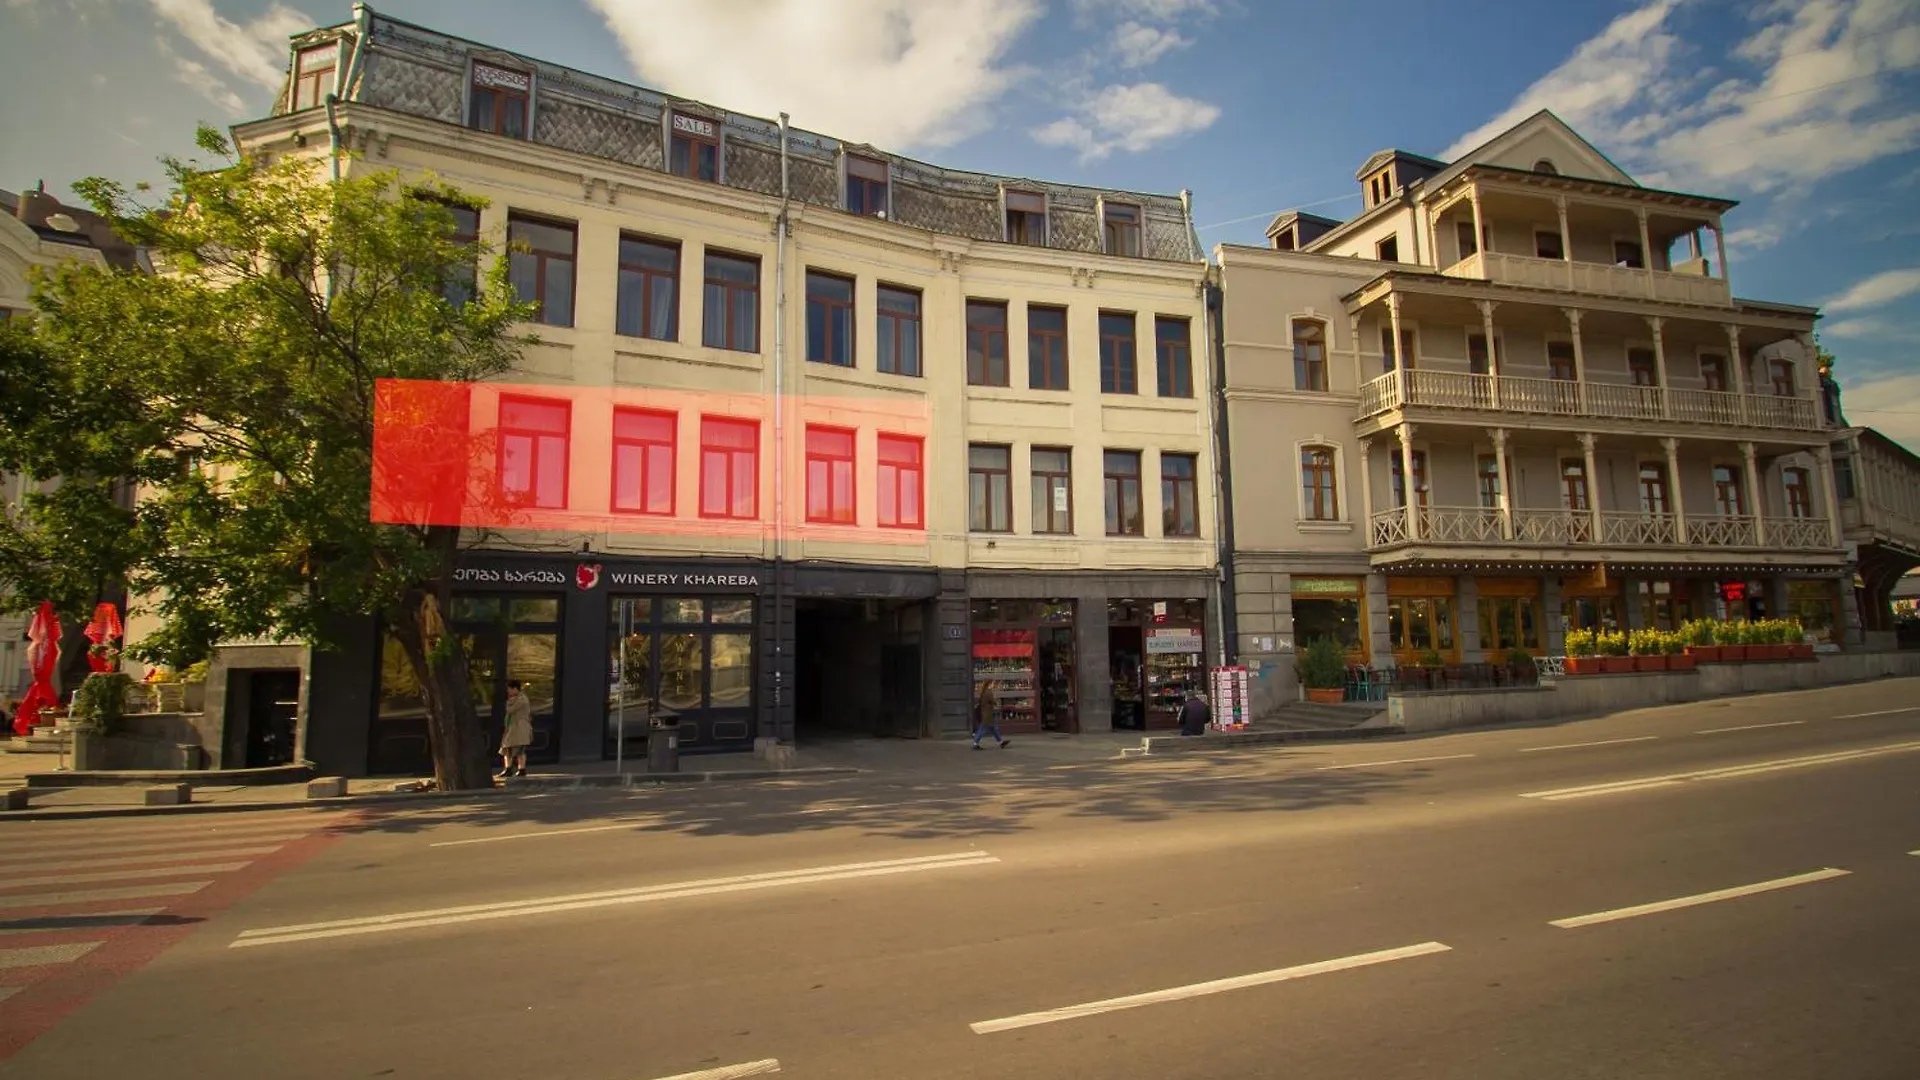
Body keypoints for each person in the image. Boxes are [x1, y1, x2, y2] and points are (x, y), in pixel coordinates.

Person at [497, 680, 533, 779]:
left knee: (519, 750)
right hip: (512, 728)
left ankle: (522, 769)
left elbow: (510, 710)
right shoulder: (515, 699)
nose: (508, 692)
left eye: (509, 689)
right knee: (507, 749)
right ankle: (508, 768)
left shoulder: (522, 699)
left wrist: (508, 702)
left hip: (520, 728)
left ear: (515, 689)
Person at [972, 679, 1009, 750]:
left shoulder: (984, 691)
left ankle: (1001, 742)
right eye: (992, 683)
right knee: (983, 729)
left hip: (987, 713)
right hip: (988, 714)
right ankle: (975, 743)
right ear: (990, 684)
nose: (993, 685)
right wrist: (996, 701)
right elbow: (993, 701)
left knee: (994, 729)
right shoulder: (988, 692)